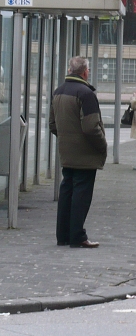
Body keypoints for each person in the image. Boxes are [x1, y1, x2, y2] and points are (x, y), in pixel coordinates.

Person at [49, 56, 107, 248]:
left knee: (67, 192)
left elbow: (52, 125)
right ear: (85, 72)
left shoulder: (58, 92)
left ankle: (62, 235)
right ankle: (77, 236)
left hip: (67, 152)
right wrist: (101, 145)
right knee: (81, 196)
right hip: (85, 154)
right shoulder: (86, 94)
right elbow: (91, 127)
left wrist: (67, 139)